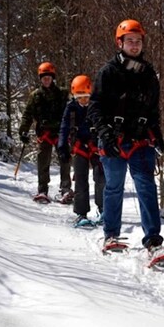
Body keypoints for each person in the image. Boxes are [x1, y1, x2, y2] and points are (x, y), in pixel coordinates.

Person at [88, 19, 164, 255]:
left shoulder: (149, 73)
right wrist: (105, 134)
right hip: (113, 139)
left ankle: (153, 239)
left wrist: (158, 136)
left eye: (138, 41)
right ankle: (111, 234)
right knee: (113, 187)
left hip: (141, 140)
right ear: (120, 43)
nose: (134, 45)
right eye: (130, 41)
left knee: (146, 187)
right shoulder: (108, 72)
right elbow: (94, 107)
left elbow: (153, 110)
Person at [19, 61, 72, 203]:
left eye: (48, 77)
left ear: (52, 77)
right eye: (44, 77)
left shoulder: (62, 93)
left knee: (65, 160)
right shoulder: (35, 96)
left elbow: (71, 112)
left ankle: (66, 189)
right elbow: (27, 114)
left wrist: (73, 129)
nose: (46, 79)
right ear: (40, 79)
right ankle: (42, 190)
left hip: (61, 133)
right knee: (43, 162)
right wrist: (23, 131)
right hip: (44, 134)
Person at [57, 75, 105, 226]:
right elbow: (64, 128)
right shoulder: (70, 109)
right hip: (79, 146)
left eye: (86, 97)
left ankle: (104, 209)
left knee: (100, 178)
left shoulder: (96, 106)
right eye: (80, 97)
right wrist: (62, 146)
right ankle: (81, 213)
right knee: (80, 180)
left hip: (96, 146)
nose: (83, 100)